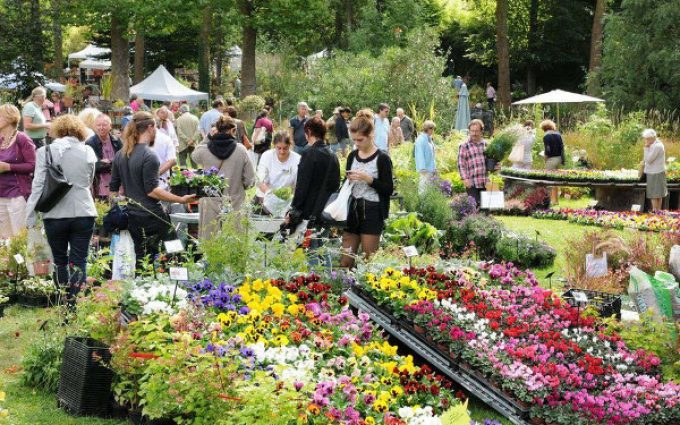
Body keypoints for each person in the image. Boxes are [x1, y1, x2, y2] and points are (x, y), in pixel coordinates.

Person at [25, 115, 97, 302]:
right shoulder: (88, 151)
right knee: (79, 260)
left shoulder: (45, 151)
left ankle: (64, 302)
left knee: (60, 261)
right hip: (83, 210)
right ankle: (75, 301)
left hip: (55, 213)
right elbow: (89, 181)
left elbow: (38, 185)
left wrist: (31, 214)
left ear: (57, 130)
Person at [110, 111, 195, 264]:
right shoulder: (149, 156)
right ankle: (177, 281)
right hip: (152, 214)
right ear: (150, 128)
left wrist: (123, 200)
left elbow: (113, 190)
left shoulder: (120, 155)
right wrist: (181, 199)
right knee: (174, 251)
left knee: (142, 256)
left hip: (132, 215)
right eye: (155, 128)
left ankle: (144, 284)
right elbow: (152, 191)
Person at [284, 116, 340, 263]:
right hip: (327, 210)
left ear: (308, 131)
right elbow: (335, 185)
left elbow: (302, 186)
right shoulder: (333, 156)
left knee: (312, 253)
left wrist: (294, 209)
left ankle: (317, 283)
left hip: (310, 211)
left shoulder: (309, 154)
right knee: (322, 249)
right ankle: (329, 282)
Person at [340, 115, 393, 268]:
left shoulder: (382, 158)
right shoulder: (352, 156)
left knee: (369, 261)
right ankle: (344, 289)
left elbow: (388, 189)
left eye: (360, 140)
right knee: (346, 260)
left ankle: (364, 291)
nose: (356, 144)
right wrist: (348, 181)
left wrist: (369, 179)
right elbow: (345, 183)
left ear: (371, 136)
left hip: (372, 211)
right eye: (354, 140)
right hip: (352, 210)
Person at [192, 115, 255, 210]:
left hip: (210, 203)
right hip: (234, 202)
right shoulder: (241, 150)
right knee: (233, 225)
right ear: (233, 130)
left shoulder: (204, 150)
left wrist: (208, 137)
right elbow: (250, 180)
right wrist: (239, 186)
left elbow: (194, 156)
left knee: (210, 225)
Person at [0, 104, 35, 238]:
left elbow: (33, 165)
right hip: (1, 195)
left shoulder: (22, 139)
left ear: (9, 119)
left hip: (17, 194)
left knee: (19, 238)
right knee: (4, 240)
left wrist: (8, 167)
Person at [256, 131, 300, 208]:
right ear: (274, 146)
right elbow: (259, 181)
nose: (282, 152)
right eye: (279, 148)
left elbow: (298, 185)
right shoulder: (266, 156)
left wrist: (286, 197)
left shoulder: (297, 159)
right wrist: (273, 196)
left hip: (287, 199)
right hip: (266, 196)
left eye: (285, 148)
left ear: (290, 145)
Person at [86, 115, 122, 200]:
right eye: (98, 125)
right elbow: (93, 166)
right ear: (95, 127)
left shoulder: (116, 140)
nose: (101, 128)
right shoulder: (90, 143)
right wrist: (113, 162)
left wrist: (108, 162)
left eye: (104, 125)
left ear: (110, 126)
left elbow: (123, 161)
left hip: (118, 184)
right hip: (100, 186)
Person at [458, 119, 489, 207]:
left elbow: (490, 164)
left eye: (476, 131)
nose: (474, 133)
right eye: (472, 131)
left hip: (485, 181)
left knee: (485, 209)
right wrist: (464, 179)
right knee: (474, 208)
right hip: (472, 182)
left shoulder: (486, 145)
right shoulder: (464, 146)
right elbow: (461, 164)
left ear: (481, 131)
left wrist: (496, 166)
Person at [642, 129, 667, 211]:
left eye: (648, 139)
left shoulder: (657, 146)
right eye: (645, 139)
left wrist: (645, 148)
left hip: (654, 172)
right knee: (658, 193)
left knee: (654, 193)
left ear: (653, 137)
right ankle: (658, 211)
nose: (646, 141)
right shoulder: (656, 145)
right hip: (658, 171)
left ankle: (655, 210)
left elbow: (648, 159)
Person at [541, 119, 564, 205]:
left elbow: (547, 149)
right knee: (555, 180)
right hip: (559, 158)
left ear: (544, 128)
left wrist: (545, 159)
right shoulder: (558, 134)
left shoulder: (546, 136)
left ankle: (549, 200)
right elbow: (562, 148)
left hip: (551, 159)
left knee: (549, 180)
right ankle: (556, 200)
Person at [151, 120, 177, 191]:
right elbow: (172, 160)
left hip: (160, 180)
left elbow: (172, 161)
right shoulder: (165, 138)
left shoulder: (164, 138)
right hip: (161, 181)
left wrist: (156, 174)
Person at [415, 120, 437, 193]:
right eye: (432, 129)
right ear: (428, 129)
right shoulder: (421, 139)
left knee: (430, 188)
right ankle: (422, 204)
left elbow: (432, 154)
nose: (433, 131)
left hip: (430, 168)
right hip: (425, 169)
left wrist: (434, 168)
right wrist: (422, 168)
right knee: (423, 188)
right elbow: (419, 154)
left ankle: (429, 204)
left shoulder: (429, 139)